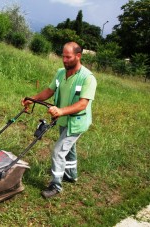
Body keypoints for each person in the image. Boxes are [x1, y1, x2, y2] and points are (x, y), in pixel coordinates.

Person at [22, 42, 97, 199]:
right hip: (63, 120)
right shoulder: (61, 73)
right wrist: (32, 99)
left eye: (68, 57)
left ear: (78, 56)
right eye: (63, 56)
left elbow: (83, 103)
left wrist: (61, 110)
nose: (64, 60)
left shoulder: (87, 78)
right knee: (69, 148)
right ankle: (71, 175)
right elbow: (50, 90)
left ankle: (56, 185)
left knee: (58, 151)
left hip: (77, 122)